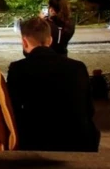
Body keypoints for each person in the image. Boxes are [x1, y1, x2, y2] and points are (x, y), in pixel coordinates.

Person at [7, 18, 99, 152]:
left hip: (36, 141)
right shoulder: (78, 67)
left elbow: (13, 111)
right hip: (79, 141)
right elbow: (89, 109)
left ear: (24, 42)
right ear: (50, 41)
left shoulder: (18, 69)